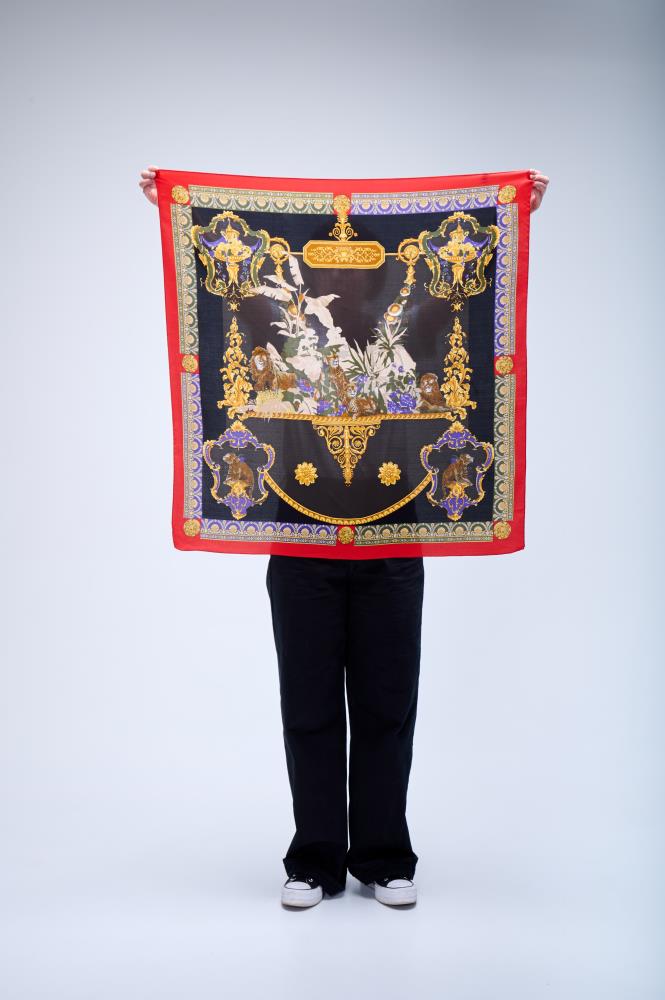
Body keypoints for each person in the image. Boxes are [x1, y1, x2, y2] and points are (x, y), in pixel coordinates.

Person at [140, 165, 550, 908]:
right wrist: (180, 212)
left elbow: (451, 296)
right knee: (309, 705)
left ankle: (386, 857)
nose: (349, 292)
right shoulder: (292, 329)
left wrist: (517, 214)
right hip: (300, 536)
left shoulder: (406, 331)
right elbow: (244, 301)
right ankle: (314, 860)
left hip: (393, 534)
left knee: (388, 705)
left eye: (366, 279)